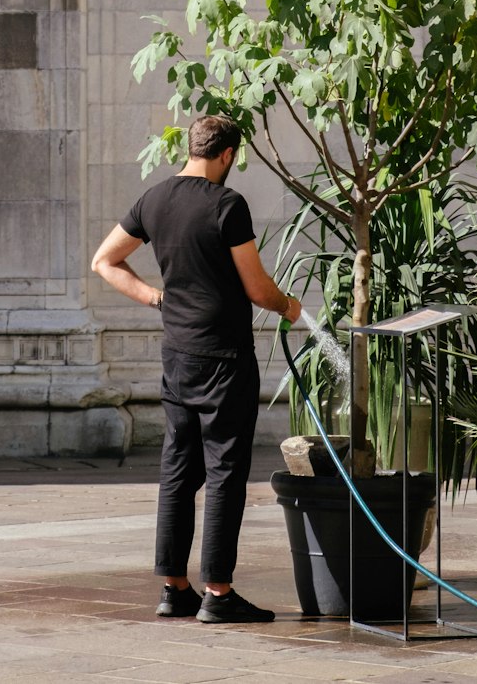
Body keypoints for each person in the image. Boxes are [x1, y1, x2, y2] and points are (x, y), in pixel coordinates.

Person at [91, 115, 303, 624]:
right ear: (227, 155)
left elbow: (104, 260)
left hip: (178, 355)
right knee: (226, 472)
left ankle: (174, 588)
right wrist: (291, 308)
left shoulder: (154, 199)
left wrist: (155, 297)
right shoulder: (228, 205)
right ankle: (219, 593)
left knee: (178, 470)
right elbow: (256, 288)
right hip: (225, 359)